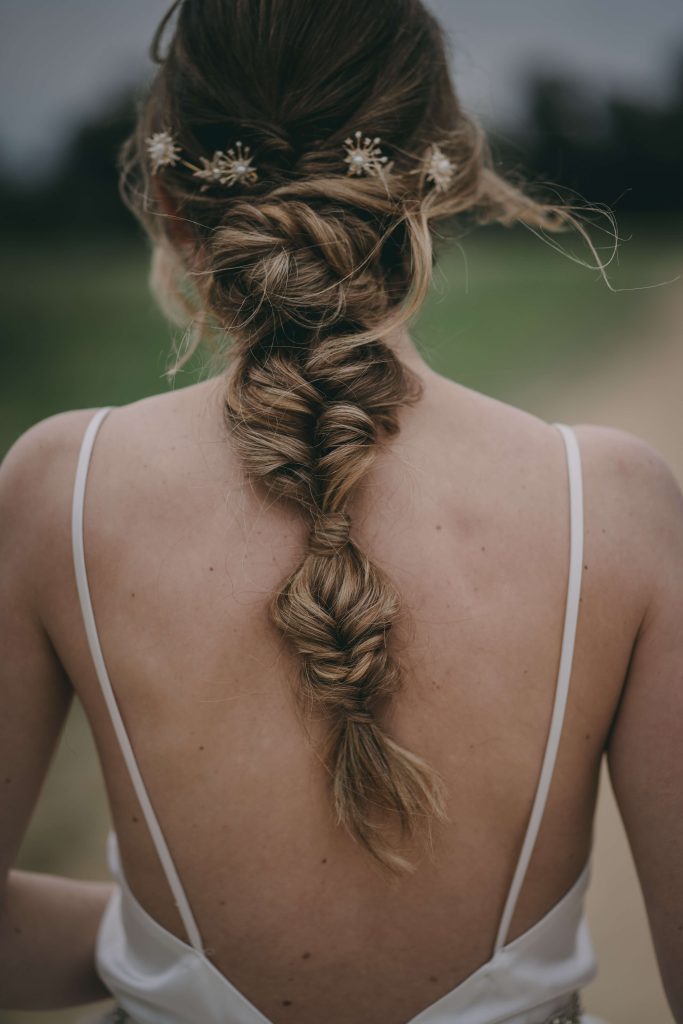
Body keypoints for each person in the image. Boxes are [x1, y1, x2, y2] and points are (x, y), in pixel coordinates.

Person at [1, 1, 681, 1022]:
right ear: (436, 178)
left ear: (177, 201)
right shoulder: (612, 506)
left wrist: (148, 946)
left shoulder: (63, 486)